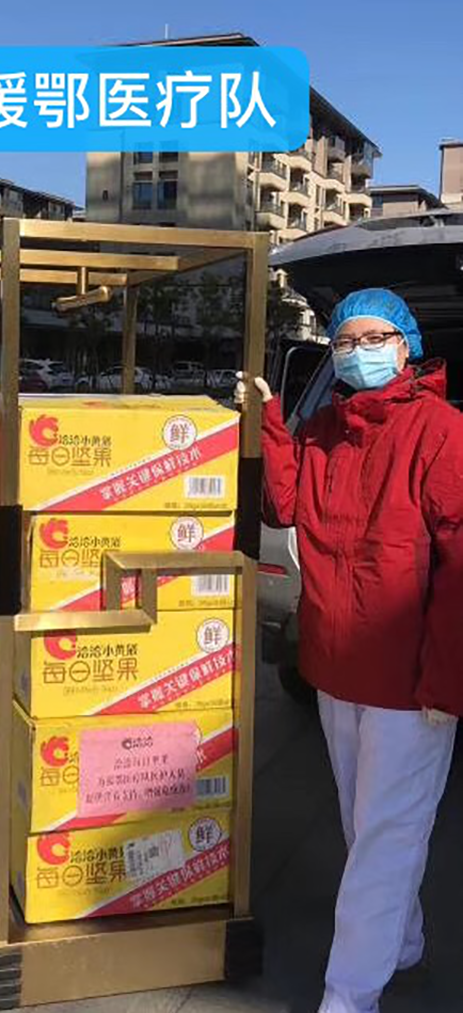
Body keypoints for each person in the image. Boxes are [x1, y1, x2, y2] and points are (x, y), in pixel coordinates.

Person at [238, 289, 463, 1013]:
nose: (358, 351)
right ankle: (405, 943)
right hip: (337, 668)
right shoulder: (326, 428)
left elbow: (459, 567)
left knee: (385, 837)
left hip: (408, 684)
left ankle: (349, 995)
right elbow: (284, 505)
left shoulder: (442, 432)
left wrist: (445, 680)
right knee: (366, 826)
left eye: (374, 338)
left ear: (406, 346)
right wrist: (269, 422)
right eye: (344, 341)